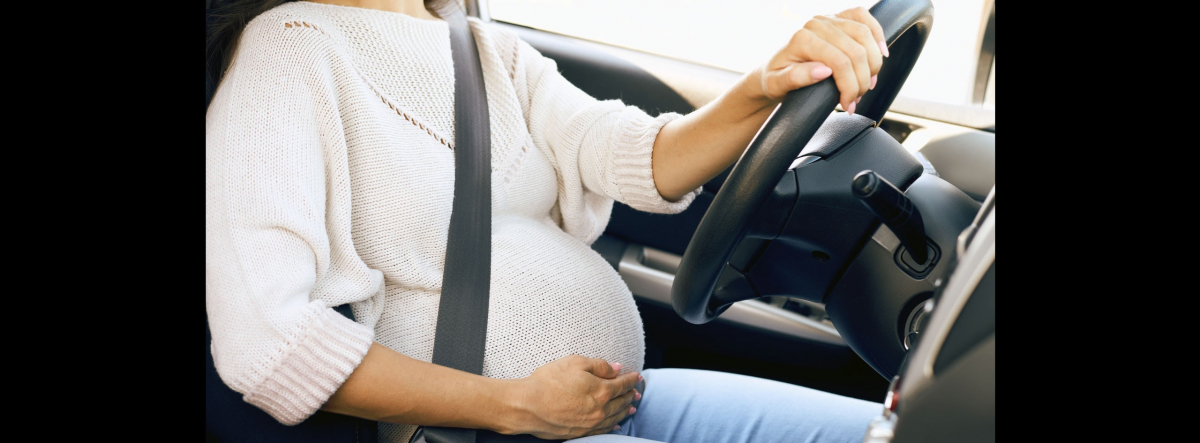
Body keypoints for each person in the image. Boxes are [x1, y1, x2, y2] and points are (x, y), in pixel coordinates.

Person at [205, 1, 889, 441]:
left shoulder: (480, 47)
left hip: (616, 404)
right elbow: (269, 341)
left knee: (904, 429)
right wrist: (513, 402)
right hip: (479, 432)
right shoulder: (288, 51)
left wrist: (764, 86)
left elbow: (630, 152)